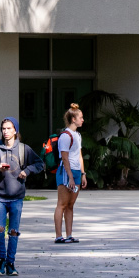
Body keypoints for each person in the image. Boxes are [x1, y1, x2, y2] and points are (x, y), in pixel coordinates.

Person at [0, 117, 42, 276]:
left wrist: (27, 171)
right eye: (3, 128)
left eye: (9, 128)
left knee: (13, 231)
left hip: (17, 197)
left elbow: (39, 164)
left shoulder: (24, 149)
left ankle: (11, 263)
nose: (6, 131)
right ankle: (1, 259)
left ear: (15, 130)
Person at [53, 103, 86, 244]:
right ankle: (59, 235)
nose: (82, 120)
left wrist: (83, 174)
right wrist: (70, 177)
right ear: (73, 119)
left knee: (71, 204)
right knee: (62, 203)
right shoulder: (65, 136)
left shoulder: (77, 135)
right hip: (66, 172)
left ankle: (69, 234)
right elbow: (64, 157)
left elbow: (79, 155)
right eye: (81, 117)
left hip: (77, 171)